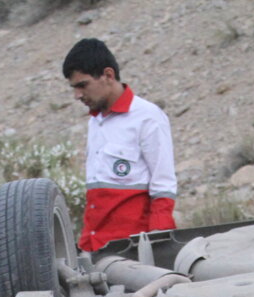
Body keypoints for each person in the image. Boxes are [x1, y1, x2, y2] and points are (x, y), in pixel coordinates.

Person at [62, 38, 177, 252]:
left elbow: (164, 189)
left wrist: (159, 249)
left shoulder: (148, 117)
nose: (77, 95)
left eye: (82, 85)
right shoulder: (95, 121)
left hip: (133, 252)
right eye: (73, 88)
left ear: (108, 75)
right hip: (96, 249)